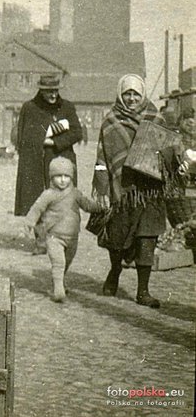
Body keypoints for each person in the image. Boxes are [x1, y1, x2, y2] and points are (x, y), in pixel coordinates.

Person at [94, 74, 166, 308]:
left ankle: (143, 291)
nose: (132, 98)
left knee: (147, 236)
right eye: (127, 94)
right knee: (118, 237)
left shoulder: (156, 118)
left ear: (143, 94)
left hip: (150, 189)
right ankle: (115, 271)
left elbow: (168, 149)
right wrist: (102, 186)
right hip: (123, 189)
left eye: (136, 94)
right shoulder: (111, 121)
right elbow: (102, 157)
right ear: (120, 95)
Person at [13, 74, 82, 254]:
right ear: (41, 90)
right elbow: (22, 135)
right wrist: (35, 143)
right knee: (37, 198)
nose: (53, 95)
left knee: (62, 199)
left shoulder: (67, 107)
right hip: (35, 160)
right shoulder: (30, 108)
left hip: (60, 159)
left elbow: (77, 132)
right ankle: (41, 241)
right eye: (48, 91)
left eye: (55, 91)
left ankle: (62, 240)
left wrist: (54, 142)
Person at [23, 157, 104, 303]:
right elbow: (37, 208)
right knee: (58, 263)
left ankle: (59, 281)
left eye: (66, 176)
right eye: (58, 176)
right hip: (54, 237)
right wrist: (29, 223)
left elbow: (87, 205)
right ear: (51, 177)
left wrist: (99, 207)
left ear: (71, 177)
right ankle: (58, 291)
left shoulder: (75, 193)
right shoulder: (48, 194)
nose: (62, 180)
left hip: (72, 237)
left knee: (66, 262)